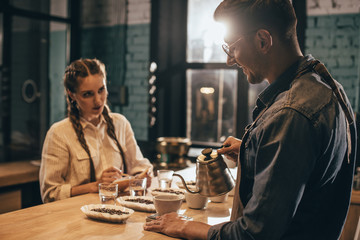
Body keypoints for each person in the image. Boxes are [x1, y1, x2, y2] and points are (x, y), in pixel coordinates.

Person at [144, 0, 357, 239]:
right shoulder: (329, 87)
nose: (229, 60)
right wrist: (251, 149)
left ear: (263, 40)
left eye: (232, 48)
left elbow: (254, 235)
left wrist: (185, 226)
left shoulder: (290, 114)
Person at [40, 58, 153, 203]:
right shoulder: (59, 133)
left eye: (101, 90)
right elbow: (50, 194)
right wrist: (95, 186)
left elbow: (140, 167)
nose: (98, 101)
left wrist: (142, 177)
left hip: (119, 211)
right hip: (75, 219)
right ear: (72, 95)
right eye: (88, 94)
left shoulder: (120, 123)